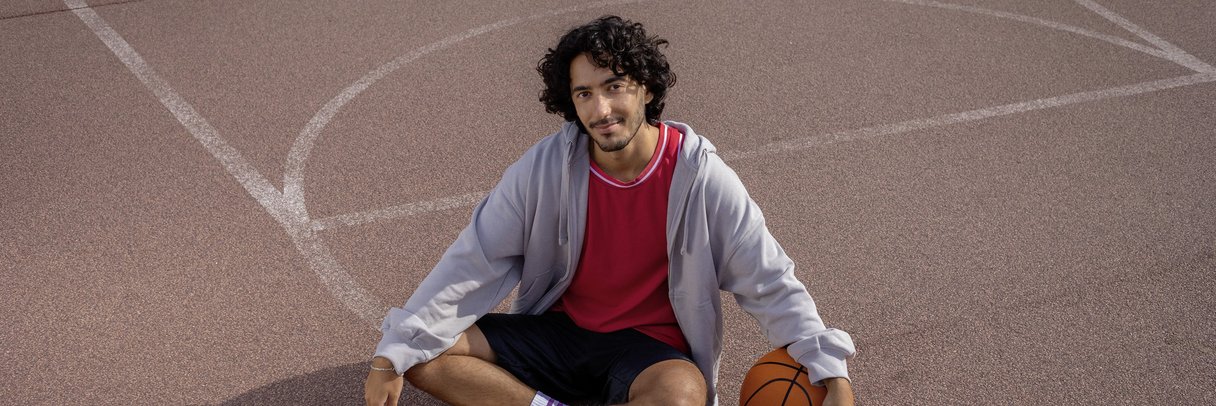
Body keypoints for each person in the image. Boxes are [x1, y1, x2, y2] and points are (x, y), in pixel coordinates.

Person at [364, 15, 856, 406]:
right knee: (425, 352)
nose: (601, 110)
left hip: (649, 351)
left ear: (645, 87)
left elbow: (769, 282)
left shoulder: (702, 178)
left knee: (682, 396)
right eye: (584, 94)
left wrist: (828, 366)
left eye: (614, 85)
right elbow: (474, 258)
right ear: (570, 102)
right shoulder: (543, 170)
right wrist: (393, 355)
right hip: (560, 333)